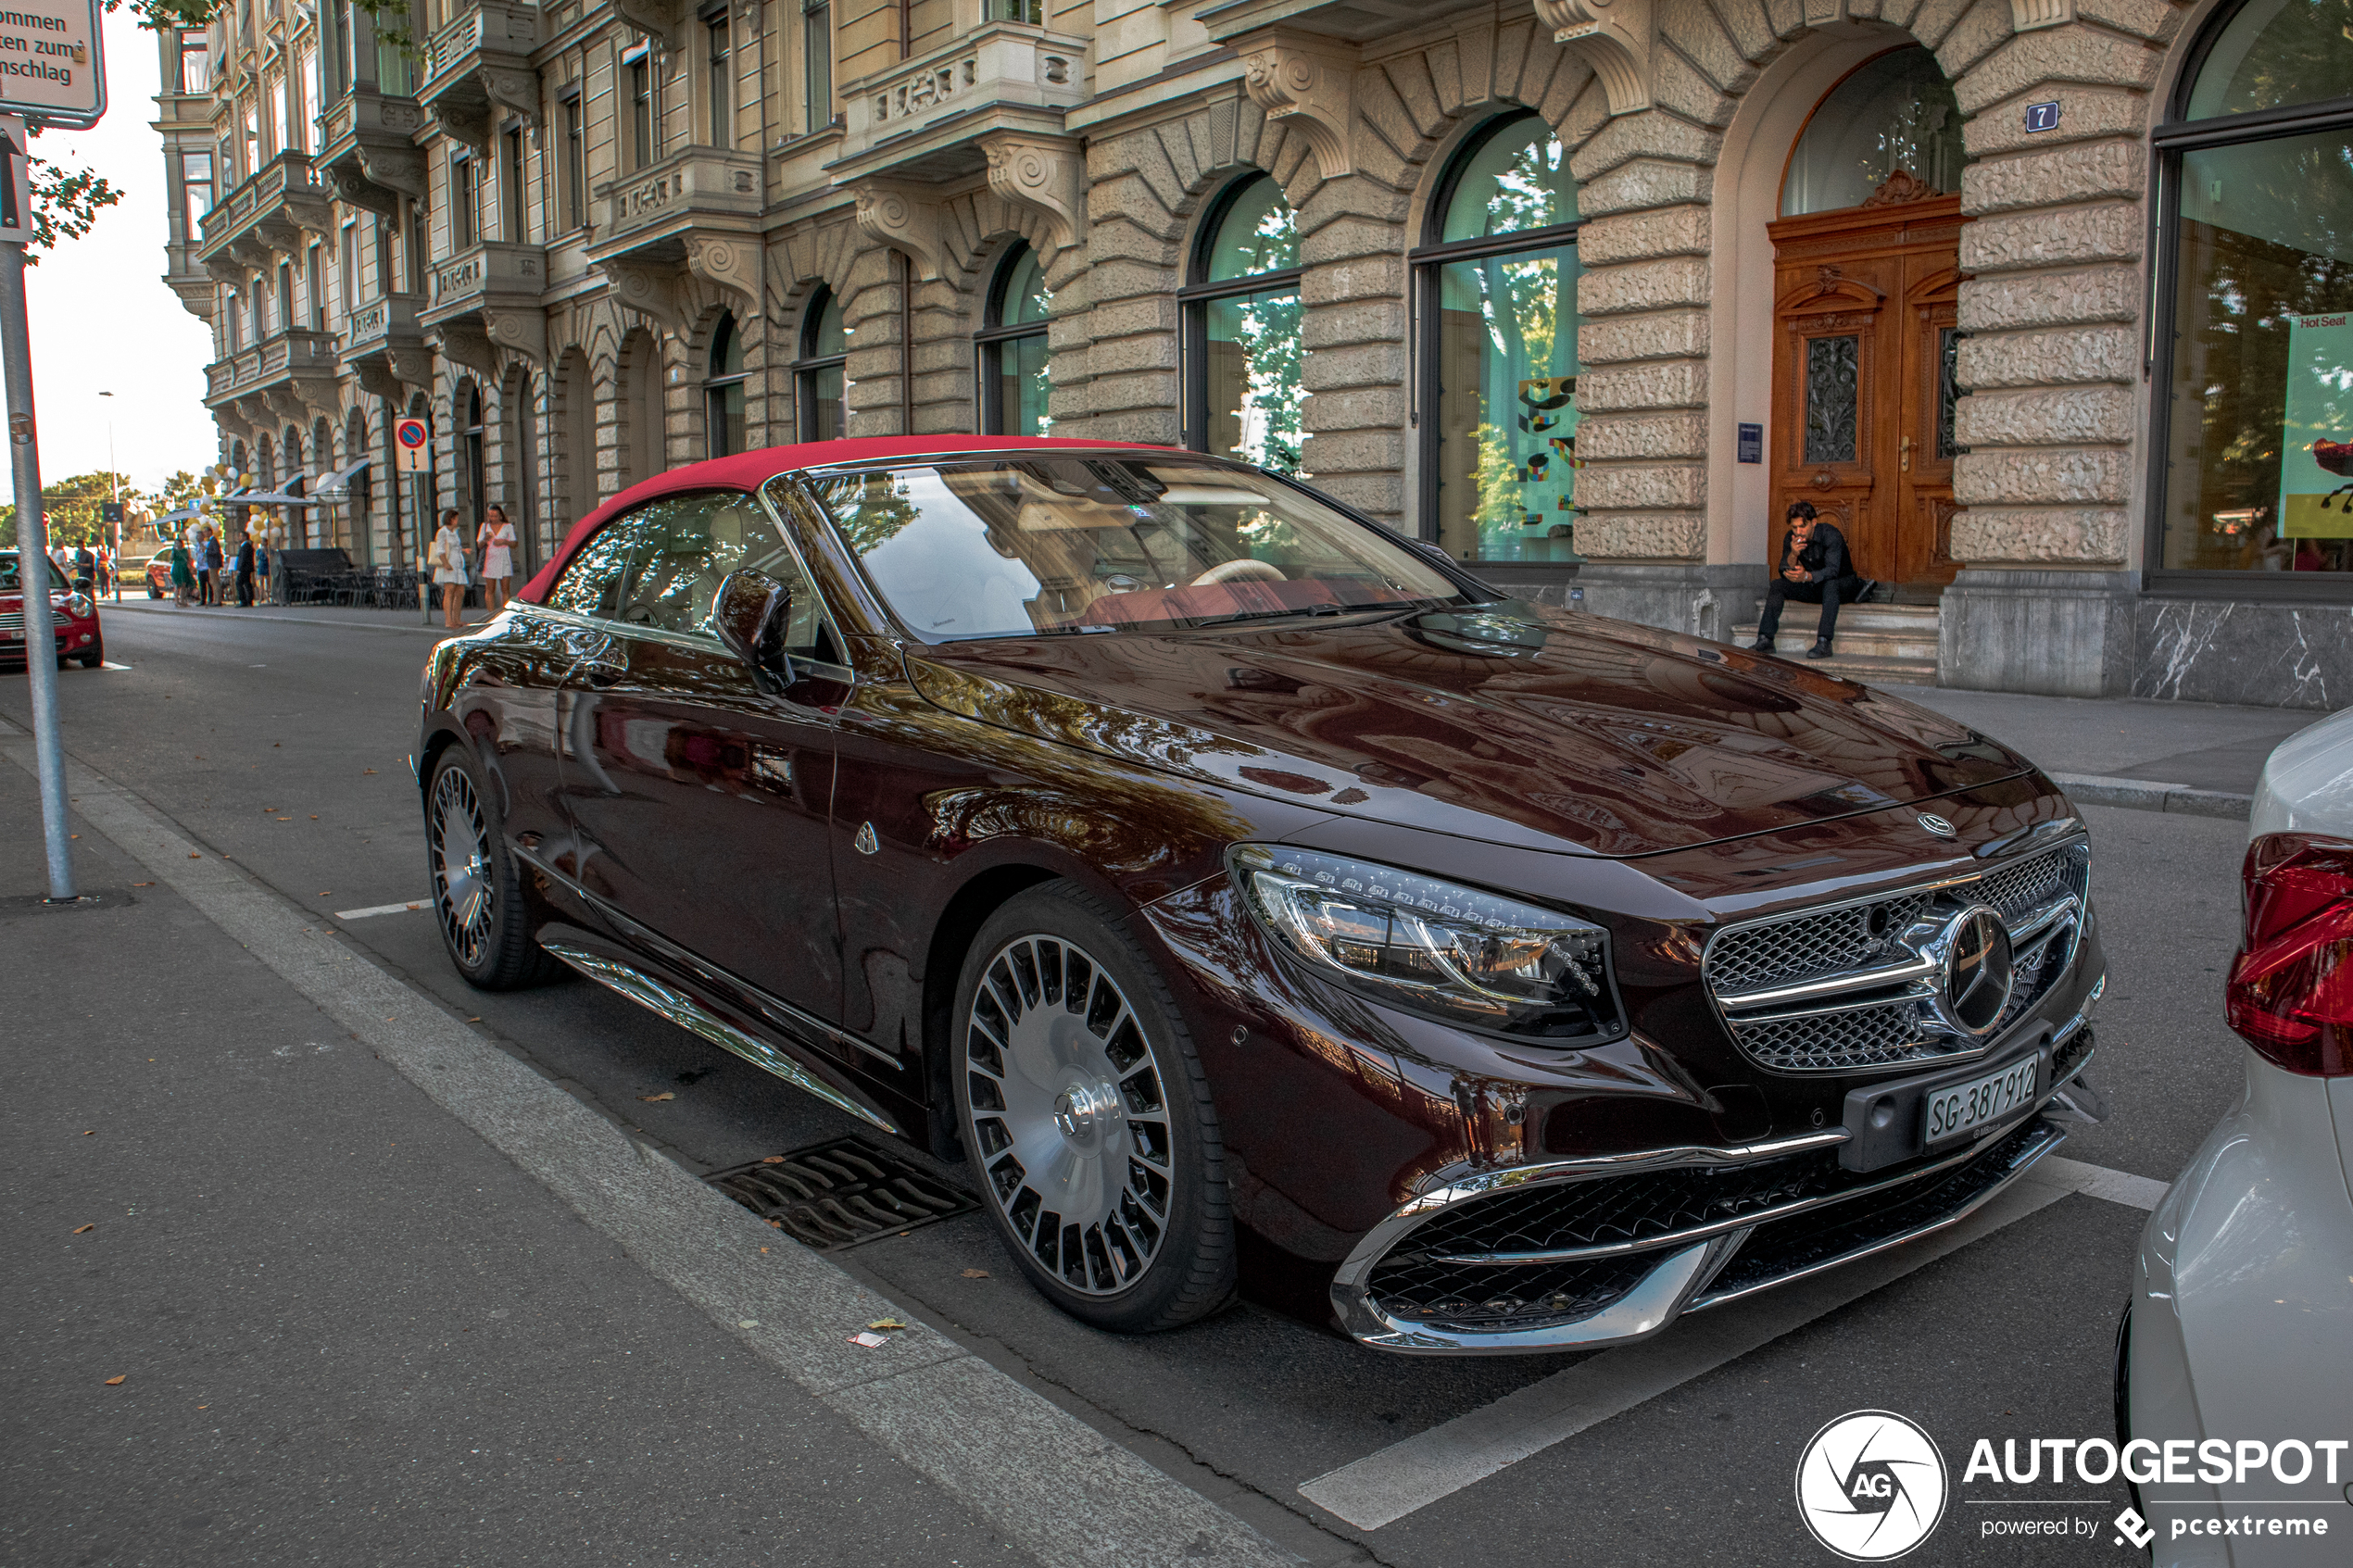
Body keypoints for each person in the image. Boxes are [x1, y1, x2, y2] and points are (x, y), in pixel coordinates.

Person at [1752, 500, 1874, 659]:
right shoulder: (1792, 538)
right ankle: (1765, 640)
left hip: (1843, 585)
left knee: (1831, 585)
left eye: (1802, 527)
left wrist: (1807, 576)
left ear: (1813, 522)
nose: (1798, 532)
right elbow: (1783, 570)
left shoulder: (1830, 535)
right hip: (1816, 585)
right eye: (1794, 527)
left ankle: (1824, 642)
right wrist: (1794, 555)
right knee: (1777, 585)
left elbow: (1832, 571)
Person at [475, 503, 517, 617]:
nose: (493, 518)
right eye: (490, 516)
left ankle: (505, 613)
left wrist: (504, 541)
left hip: (504, 558)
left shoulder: (508, 526)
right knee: (490, 589)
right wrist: (485, 539)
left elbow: (514, 544)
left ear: (500, 515)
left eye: (495, 516)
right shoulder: (485, 526)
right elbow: (479, 545)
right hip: (491, 558)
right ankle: (491, 614)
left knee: (505, 588)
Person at [431, 508, 469, 629]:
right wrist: (445, 563)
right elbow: (441, 549)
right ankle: (449, 620)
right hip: (449, 563)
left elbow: (455, 547)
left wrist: (464, 550)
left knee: (460, 591)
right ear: (451, 519)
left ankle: (457, 619)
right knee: (449, 590)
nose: (457, 520)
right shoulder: (443, 532)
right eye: (456, 518)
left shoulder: (454, 532)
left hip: (458, 564)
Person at [169, 537, 195, 606]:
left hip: (184, 568)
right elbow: (171, 560)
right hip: (177, 569)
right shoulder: (174, 551)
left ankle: (182, 600)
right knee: (177, 585)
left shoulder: (185, 551)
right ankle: (177, 601)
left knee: (184, 585)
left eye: (178, 543)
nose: (177, 544)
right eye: (176, 543)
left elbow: (189, 558)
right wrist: (173, 551)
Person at [233, 530, 257, 607]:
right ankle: (249, 600)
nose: (239, 537)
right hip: (247, 568)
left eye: (240, 536)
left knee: (239, 583)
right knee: (247, 583)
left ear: (244, 537)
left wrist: (239, 569)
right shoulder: (247, 546)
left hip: (244, 569)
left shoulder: (245, 546)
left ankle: (243, 600)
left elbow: (243, 559)